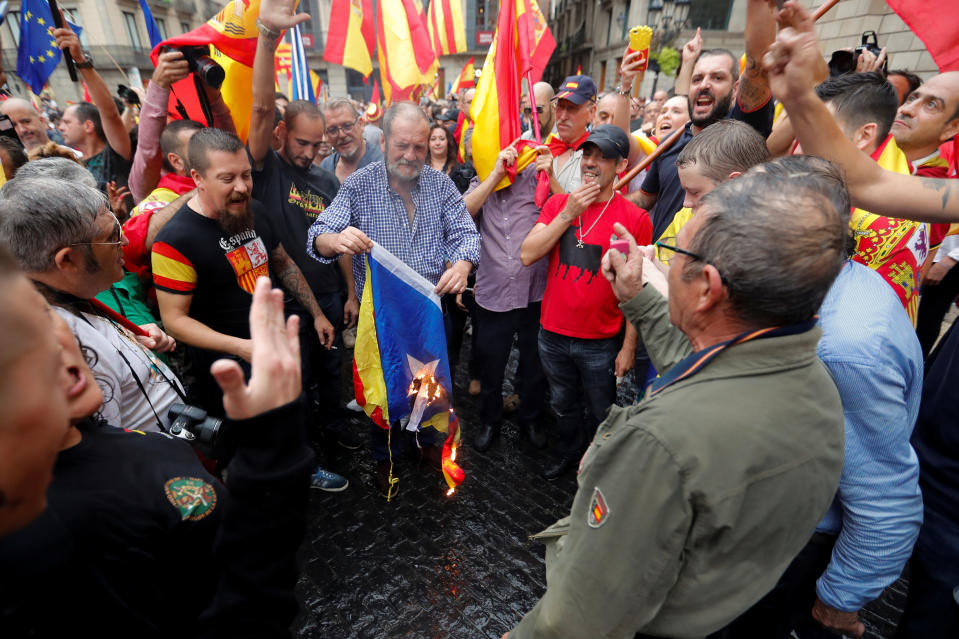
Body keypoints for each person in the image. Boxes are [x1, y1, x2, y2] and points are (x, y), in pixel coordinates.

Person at [503, 164, 848, 639]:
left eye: (672, 251)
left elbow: (575, 619)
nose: (657, 260)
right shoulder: (815, 383)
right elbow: (708, 363)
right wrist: (638, 299)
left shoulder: (660, 443)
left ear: (706, 288)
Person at [762, 5, 959, 635]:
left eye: (933, 103)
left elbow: (884, 490)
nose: (912, 108)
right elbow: (864, 178)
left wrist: (842, 593)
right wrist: (797, 92)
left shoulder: (853, 342)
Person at [0, 252, 316, 635]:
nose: (54, 349)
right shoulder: (46, 539)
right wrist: (271, 459)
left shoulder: (94, 437)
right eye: (12, 357)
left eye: (43, 315)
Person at [709, 157, 923, 639]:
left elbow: (886, 503)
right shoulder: (812, 288)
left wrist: (837, 601)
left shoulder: (843, 346)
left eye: (747, 216)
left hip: (792, 550)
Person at [308, 101, 481, 499]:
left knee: (430, 384)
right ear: (384, 141)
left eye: (420, 147)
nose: (411, 155)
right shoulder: (358, 185)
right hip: (383, 317)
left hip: (429, 313)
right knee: (384, 385)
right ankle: (385, 453)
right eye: (403, 145)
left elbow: (466, 234)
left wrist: (463, 263)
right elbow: (317, 235)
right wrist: (336, 240)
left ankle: (423, 442)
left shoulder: (440, 185)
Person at [151, 128, 334, 423]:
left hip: (274, 344)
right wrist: (242, 347)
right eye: (227, 178)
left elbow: (282, 262)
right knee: (255, 439)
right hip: (229, 366)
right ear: (198, 178)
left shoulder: (254, 211)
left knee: (293, 411)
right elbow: (174, 320)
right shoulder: (174, 242)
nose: (242, 187)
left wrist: (316, 314)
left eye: (246, 175)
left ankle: (305, 468)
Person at [248, 13, 362, 455]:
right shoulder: (265, 169)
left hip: (330, 294)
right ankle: (305, 450)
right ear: (281, 134)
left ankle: (333, 431)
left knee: (332, 370)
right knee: (296, 380)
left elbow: (343, 238)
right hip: (287, 299)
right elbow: (259, 108)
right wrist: (267, 36)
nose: (311, 153)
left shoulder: (328, 181)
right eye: (303, 143)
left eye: (319, 146)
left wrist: (350, 292)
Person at [0, 176, 183, 433]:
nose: (126, 242)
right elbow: (107, 450)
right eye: (113, 235)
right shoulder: (71, 344)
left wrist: (131, 341)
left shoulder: (61, 296)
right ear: (67, 261)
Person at [520, 125, 652, 480]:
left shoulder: (634, 219)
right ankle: (567, 453)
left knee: (601, 410)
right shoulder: (559, 204)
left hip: (600, 341)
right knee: (563, 405)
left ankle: (599, 469)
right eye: (588, 154)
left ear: (621, 165)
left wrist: (628, 347)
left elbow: (635, 292)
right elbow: (528, 254)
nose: (592, 162)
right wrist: (568, 212)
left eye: (603, 156)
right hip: (552, 335)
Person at [628, 0, 778, 240]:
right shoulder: (670, 143)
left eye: (717, 78)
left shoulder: (740, 132)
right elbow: (646, 198)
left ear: (737, 88)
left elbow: (758, 61)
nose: (705, 85)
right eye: (697, 79)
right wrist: (602, 202)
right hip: (659, 265)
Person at [812, 72, 927, 325]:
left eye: (819, 129)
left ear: (864, 135)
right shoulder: (831, 182)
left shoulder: (880, 225)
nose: (803, 144)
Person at [463, 135, 551, 454]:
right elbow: (462, 212)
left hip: (535, 293)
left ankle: (531, 419)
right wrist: (494, 177)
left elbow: (562, 210)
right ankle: (490, 420)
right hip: (492, 295)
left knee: (533, 365)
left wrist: (550, 174)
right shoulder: (478, 183)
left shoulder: (534, 177)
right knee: (491, 365)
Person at [126, 49, 235, 202]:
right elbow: (148, 152)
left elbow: (230, 145)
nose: (208, 147)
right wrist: (159, 85)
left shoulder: (231, 180)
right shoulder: (156, 195)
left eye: (207, 139)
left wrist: (214, 99)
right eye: (196, 144)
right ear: (176, 161)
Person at [52, 24, 132, 195]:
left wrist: (80, 60)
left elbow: (109, 114)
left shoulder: (114, 154)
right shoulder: (70, 167)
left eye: (67, 122)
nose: (60, 128)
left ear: (88, 126)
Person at [534, 75, 598, 195]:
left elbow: (586, 212)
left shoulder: (597, 159)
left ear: (591, 112)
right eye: (560, 107)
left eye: (572, 109)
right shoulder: (548, 146)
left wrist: (551, 180)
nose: (563, 117)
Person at [320, 97, 384, 184]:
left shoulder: (383, 165)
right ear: (326, 135)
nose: (342, 135)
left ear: (361, 124)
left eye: (347, 126)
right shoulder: (326, 167)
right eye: (332, 130)